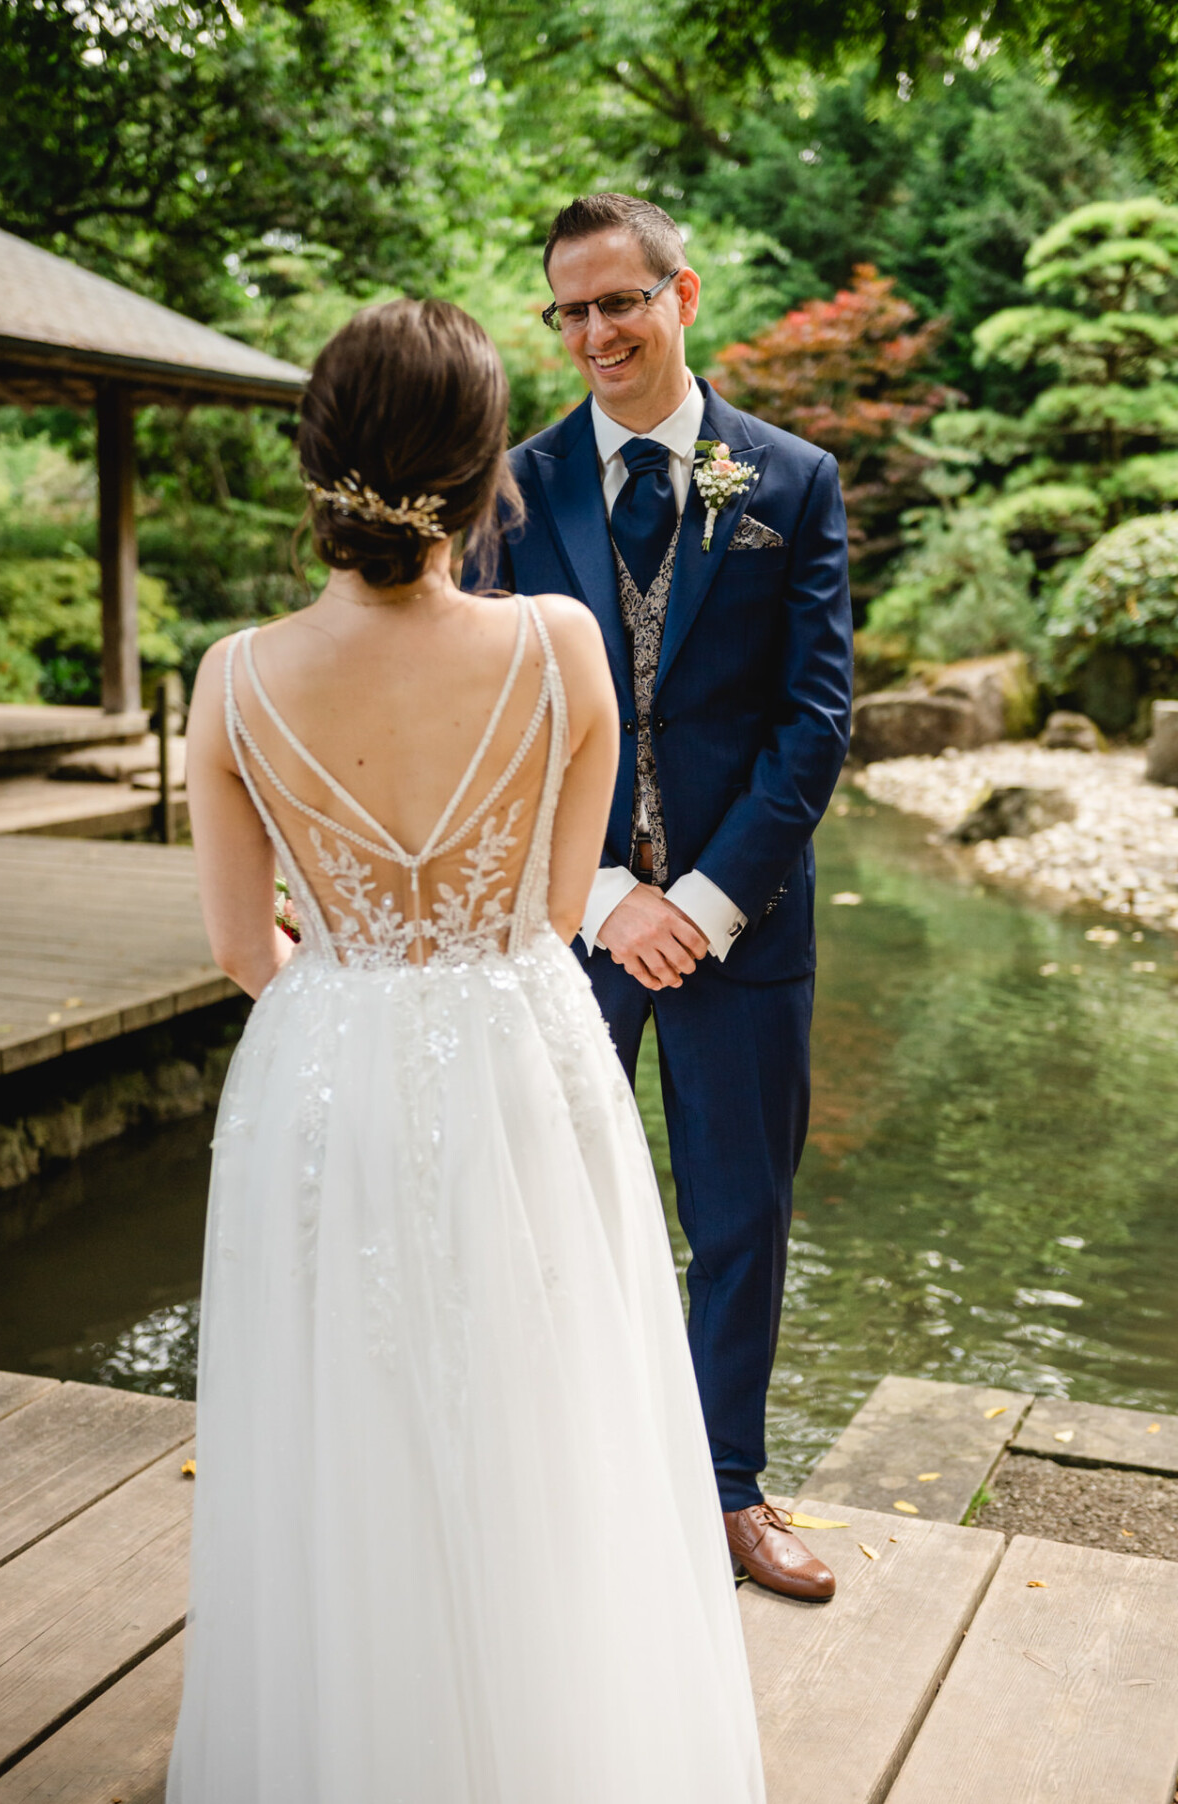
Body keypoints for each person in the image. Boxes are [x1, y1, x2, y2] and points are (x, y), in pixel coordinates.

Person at [167, 298, 764, 1802]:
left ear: (317, 467)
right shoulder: (560, 644)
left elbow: (245, 950)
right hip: (516, 1049)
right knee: (548, 1394)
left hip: (330, 1060)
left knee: (342, 1407)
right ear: (489, 467)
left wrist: (356, 980)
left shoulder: (232, 679)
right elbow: (561, 906)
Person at [467, 193, 852, 1601]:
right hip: (562, 931)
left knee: (740, 1218)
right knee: (545, 1207)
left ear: (682, 295)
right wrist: (598, 903)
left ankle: (727, 1493)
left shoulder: (792, 481)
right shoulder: (507, 489)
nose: (592, 333)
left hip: (738, 928)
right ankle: (550, 1489)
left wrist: (695, 899)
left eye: (617, 302)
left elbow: (814, 725)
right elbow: (490, 726)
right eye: (568, 310)